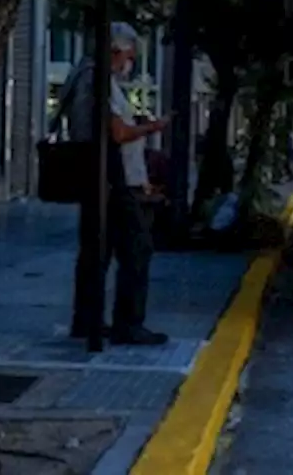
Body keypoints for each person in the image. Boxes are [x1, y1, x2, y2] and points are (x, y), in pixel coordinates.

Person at [62, 22, 170, 345]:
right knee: (137, 249)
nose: (130, 62)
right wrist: (151, 128)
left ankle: (87, 319)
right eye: (129, 54)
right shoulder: (97, 79)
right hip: (113, 181)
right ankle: (128, 323)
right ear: (116, 51)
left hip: (103, 179)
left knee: (97, 251)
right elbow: (117, 132)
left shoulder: (86, 75)